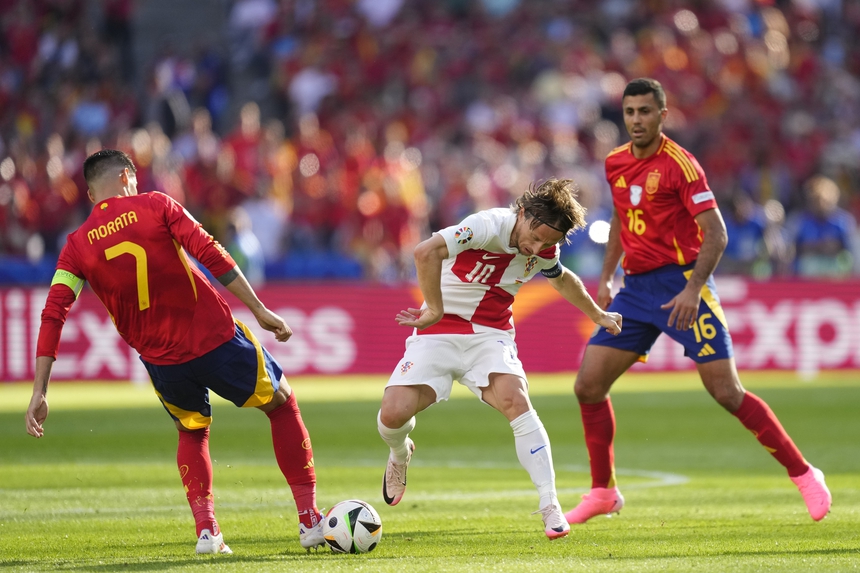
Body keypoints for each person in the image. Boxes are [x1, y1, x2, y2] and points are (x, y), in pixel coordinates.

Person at [24, 149, 326, 554]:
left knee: (192, 430)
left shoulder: (76, 245)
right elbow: (209, 250)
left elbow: (54, 312)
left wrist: (40, 389)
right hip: (213, 338)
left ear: (93, 195)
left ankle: (207, 532)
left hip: (163, 363)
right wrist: (258, 308)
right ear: (128, 176)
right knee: (282, 403)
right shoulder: (156, 204)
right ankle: (309, 521)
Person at [565, 78, 832, 525]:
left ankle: (805, 475)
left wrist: (692, 291)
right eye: (629, 112)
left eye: (645, 112)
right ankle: (602, 492)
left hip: (681, 284)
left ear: (661, 116)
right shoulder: (614, 163)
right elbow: (619, 222)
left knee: (726, 392)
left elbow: (717, 233)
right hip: (634, 290)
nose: (635, 120)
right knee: (588, 385)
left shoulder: (681, 166)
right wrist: (608, 276)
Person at [377, 179, 623, 540]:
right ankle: (400, 452)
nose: (536, 248)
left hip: (489, 336)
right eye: (535, 237)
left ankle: (550, 504)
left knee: (517, 401)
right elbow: (424, 252)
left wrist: (598, 314)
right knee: (393, 413)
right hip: (438, 330)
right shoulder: (486, 225)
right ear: (522, 213)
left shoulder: (543, 247)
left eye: (547, 244)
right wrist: (433, 308)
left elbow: (561, 278)